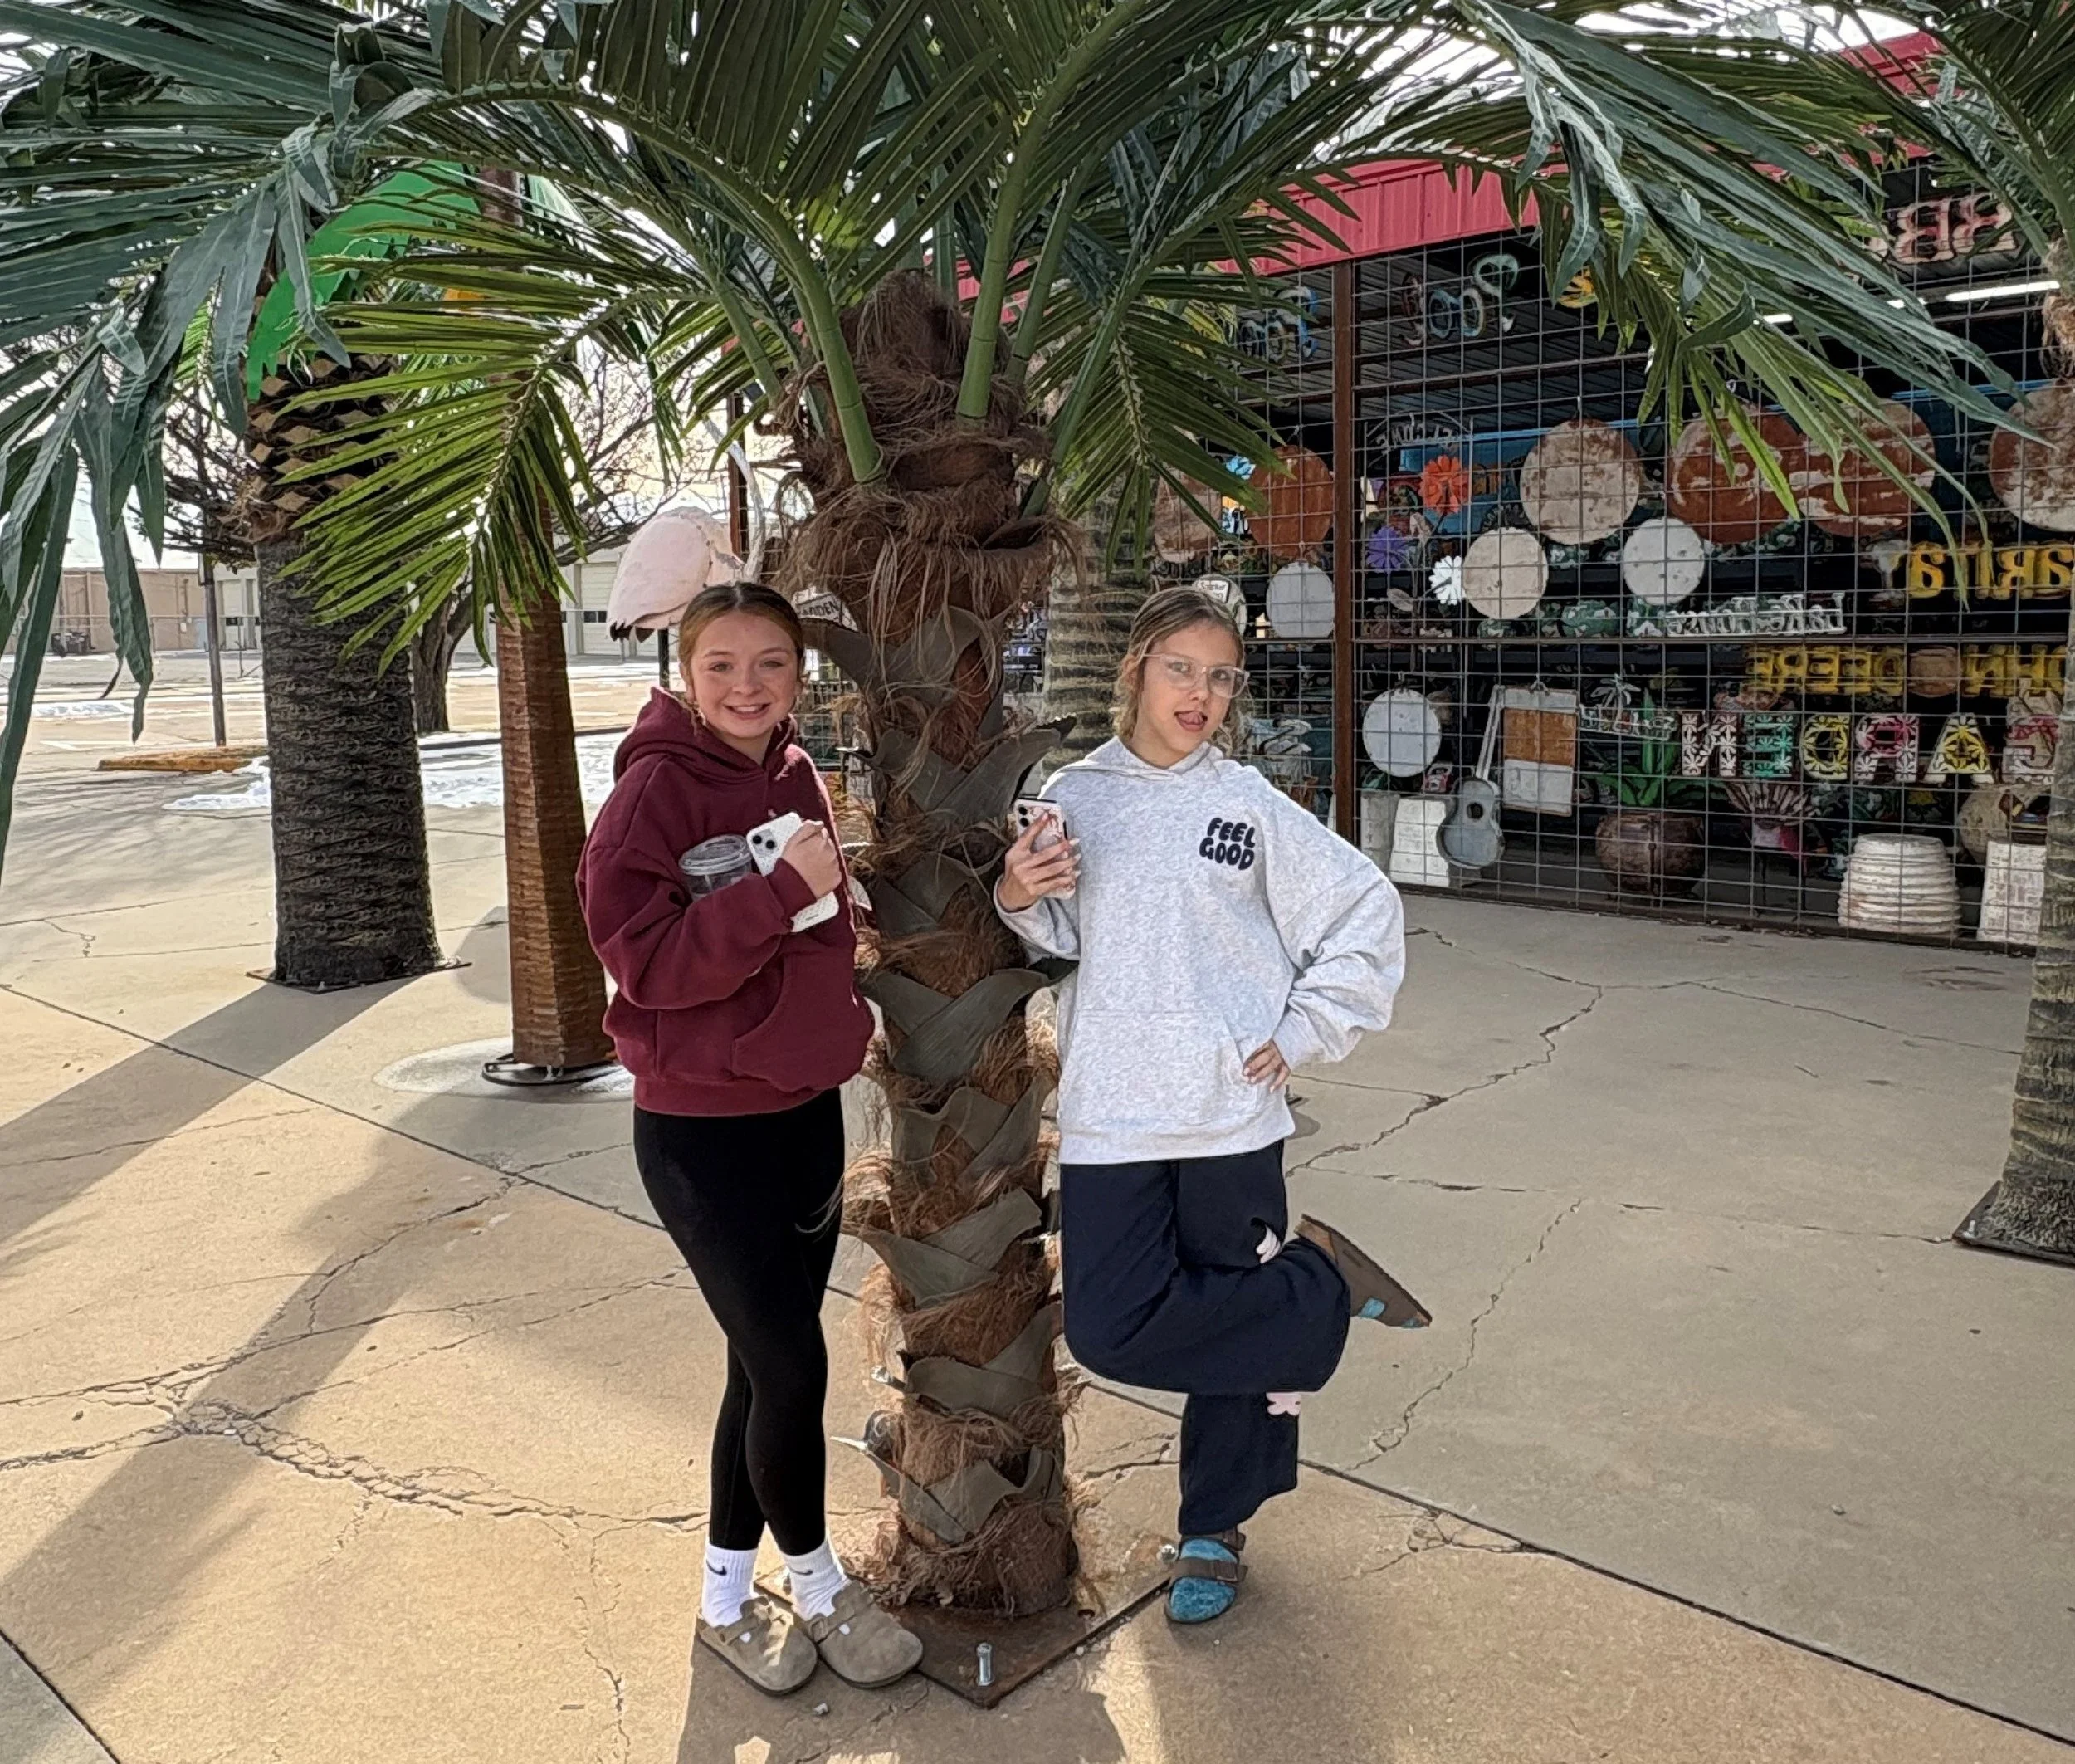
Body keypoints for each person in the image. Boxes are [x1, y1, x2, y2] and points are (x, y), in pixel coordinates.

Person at [995, 581, 1427, 1625]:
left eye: (1221, 676)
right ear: (1135, 670)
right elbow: (1056, 935)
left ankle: (1213, 1529)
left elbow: (1364, 907)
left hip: (1229, 1108)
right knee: (1111, 1329)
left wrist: (1305, 1027)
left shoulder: (1247, 804)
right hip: (1112, 1111)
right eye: (1180, 670)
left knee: (1228, 1333)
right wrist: (1015, 891)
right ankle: (1319, 1284)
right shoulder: (1074, 796)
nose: (1200, 694)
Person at [577, 579, 923, 1696]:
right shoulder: (652, 792)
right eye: (721, 664)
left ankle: (726, 1598)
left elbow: (823, 921)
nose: (747, 685)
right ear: (686, 673)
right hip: (702, 1134)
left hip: (801, 1114)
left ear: (797, 675)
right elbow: (647, 965)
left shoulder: (792, 771)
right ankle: (819, 1587)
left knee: (756, 1366)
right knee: (790, 1364)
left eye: (770, 663)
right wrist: (775, 892)